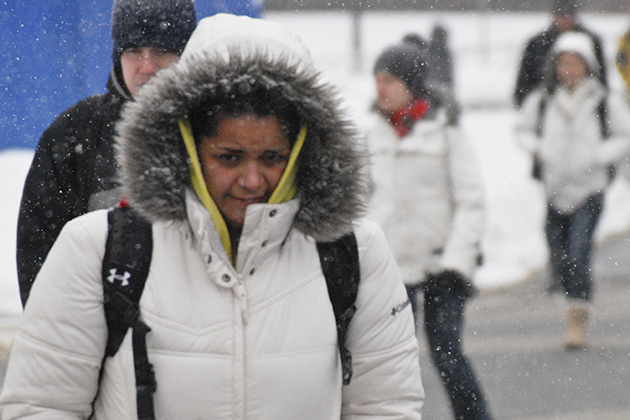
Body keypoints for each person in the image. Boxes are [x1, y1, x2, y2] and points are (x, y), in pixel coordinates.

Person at [0, 14, 424, 419]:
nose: (252, 180)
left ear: (301, 152)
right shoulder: (100, 250)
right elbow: (41, 407)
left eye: (273, 157)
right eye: (229, 156)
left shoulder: (354, 253)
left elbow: (385, 408)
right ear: (185, 147)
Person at [16, 0, 197, 306]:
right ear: (118, 55)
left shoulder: (218, 135)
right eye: (134, 51)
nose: (148, 67)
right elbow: (40, 260)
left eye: (163, 51)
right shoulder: (74, 134)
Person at [366, 37, 491, 420]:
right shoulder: (370, 134)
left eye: (390, 80)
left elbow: (471, 201)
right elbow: (359, 203)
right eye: (377, 79)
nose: (380, 89)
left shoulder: (446, 130)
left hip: (441, 267)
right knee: (386, 367)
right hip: (391, 268)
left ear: (412, 84)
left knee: (448, 357)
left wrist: (456, 263)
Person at [515, 31, 630, 349]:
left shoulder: (601, 101)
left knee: (579, 253)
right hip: (554, 188)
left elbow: (624, 134)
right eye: (562, 64)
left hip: (589, 188)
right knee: (558, 252)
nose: (568, 70)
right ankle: (570, 293)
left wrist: (600, 156)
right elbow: (522, 129)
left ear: (587, 66)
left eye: (574, 63)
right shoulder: (542, 100)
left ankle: (577, 317)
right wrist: (538, 149)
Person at [513, 0, 606, 108]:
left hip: (587, 104)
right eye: (561, 15)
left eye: (568, 15)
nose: (565, 20)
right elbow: (524, 81)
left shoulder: (591, 41)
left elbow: (601, 77)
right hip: (548, 104)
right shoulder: (537, 43)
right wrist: (532, 106)